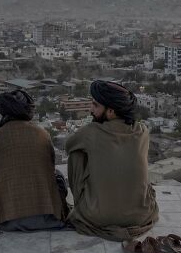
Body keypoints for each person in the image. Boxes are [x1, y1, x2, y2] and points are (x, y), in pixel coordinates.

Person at [65, 80, 158, 241]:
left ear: (111, 111)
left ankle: (83, 204)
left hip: (97, 217)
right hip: (140, 215)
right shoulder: (142, 131)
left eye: (95, 105)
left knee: (76, 153)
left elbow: (68, 146)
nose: (91, 109)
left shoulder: (90, 132)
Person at [0, 89, 68, 231]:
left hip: (5, 220)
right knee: (57, 174)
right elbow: (50, 165)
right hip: (48, 217)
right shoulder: (43, 135)